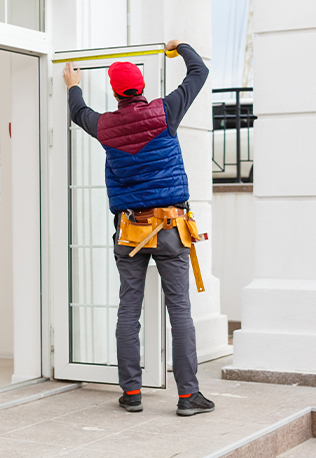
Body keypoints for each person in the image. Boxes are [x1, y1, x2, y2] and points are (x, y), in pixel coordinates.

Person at [63, 39, 215, 417]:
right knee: (178, 309)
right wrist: (180, 46)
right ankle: (187, 397)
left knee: (128, 310)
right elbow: (200, 72)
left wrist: (72, 83)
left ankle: (131, 392)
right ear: (141, 87)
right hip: (170, 229)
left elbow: (78, 111)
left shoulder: (104, 126)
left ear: (115, 93)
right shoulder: (166, 111)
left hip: (129, 231)